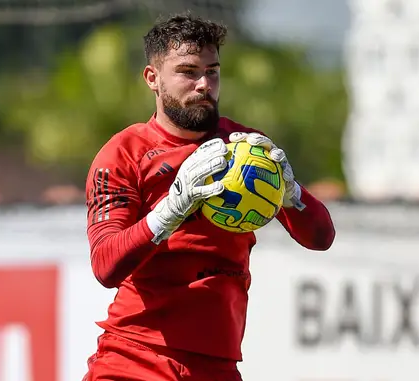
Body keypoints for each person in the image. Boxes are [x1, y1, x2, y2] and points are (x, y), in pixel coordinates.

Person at [83, 13, 335, 381]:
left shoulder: (245, 150)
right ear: (153, 79)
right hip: (135, 359)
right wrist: (172, 209)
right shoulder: (124, 153)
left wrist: (291, 192)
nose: (204, 84)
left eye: (212, 71)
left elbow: (322, 237)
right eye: (188, 72)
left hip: (217, 365)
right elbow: (106, 266)